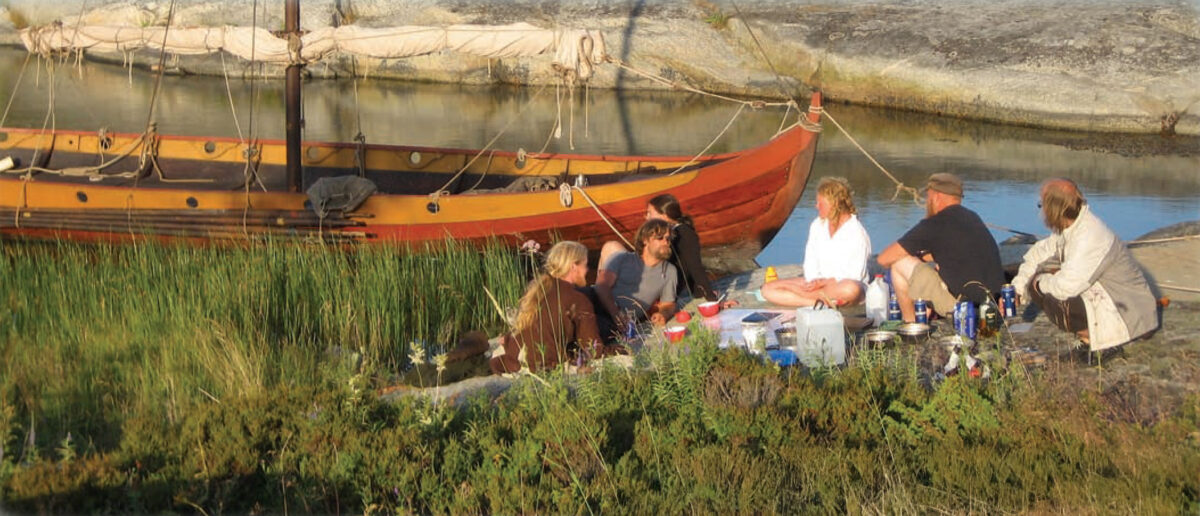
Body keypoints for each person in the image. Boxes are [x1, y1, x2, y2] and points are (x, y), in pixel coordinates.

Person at [1011, 178, 1157, 352]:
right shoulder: (1070, 228)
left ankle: (1100, 342)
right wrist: (1018, 288)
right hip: (1108, 299)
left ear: (1053, 209)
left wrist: (1040, 282)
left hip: (1130, 315)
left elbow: (1066, 288)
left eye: (1041, 205)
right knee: (1040, 285)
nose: (1041, 211)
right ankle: (1090, 334)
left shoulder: (1089, 234)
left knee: (1056, 300)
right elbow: (1039, 254)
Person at [877, 173, 1004, 322]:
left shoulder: (934, 224)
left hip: (963, 309)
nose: (927, 202)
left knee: (899, 264)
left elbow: (884, 259)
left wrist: (915, 258)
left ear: (936, 197)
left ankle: (910, 324)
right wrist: (925, 258)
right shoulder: (973, 217)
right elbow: (954, 251)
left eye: (928, 197)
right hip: (993, 304)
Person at [489, 241, 603, 374]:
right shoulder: (578, 299)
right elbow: (594, 349)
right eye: (585, 265)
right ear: (573, 267)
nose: (587, 270)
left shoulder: (539, 290)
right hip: (545, 365)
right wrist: (620, 348)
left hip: (515, 360)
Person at [762, 177, 872, 307]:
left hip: (839, 285)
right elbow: (810, 259)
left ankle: (803, 296)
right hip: (816, 284)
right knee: (767, 289)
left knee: (850, 290)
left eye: (821, 203)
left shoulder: (856, 232)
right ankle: (816, 303)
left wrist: (825, 282)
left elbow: (855, 274)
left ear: (834, 204)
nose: (816, 206)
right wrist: (813, 281)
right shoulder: (817, 225)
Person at [592, 219, 678, 340]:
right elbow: (601, 287)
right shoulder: (622, 259)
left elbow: (669, 304)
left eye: (668, 238)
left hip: (623, 325)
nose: (666, 242)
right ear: (645, 240)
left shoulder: (669, 271)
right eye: (660, 238)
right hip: (599, 310)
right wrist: (616, 314)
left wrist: (663, 314)